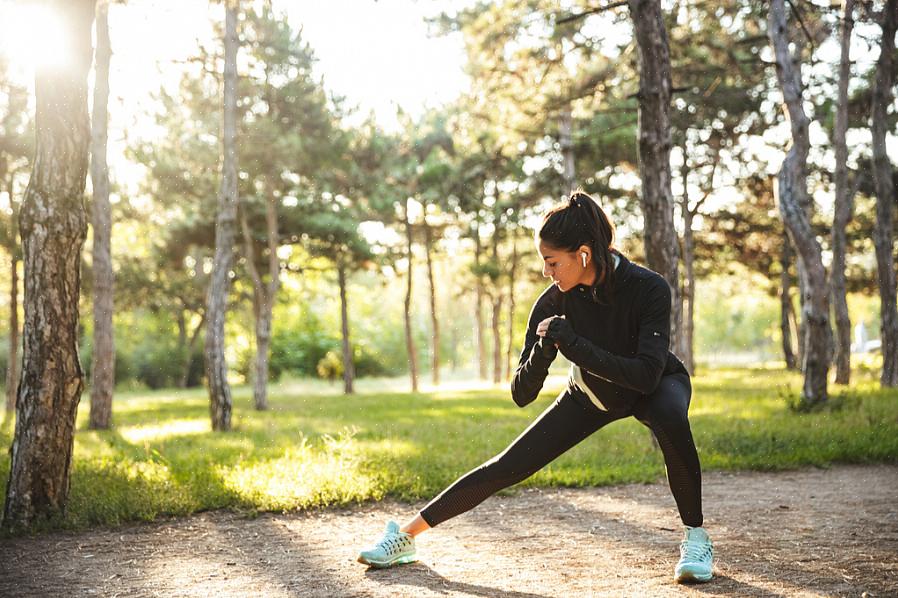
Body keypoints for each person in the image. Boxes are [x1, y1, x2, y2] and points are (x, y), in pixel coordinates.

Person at [356, 191, 714, 584]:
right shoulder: (551, 304)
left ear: (583, 254)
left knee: (670, 417)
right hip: (593, 394)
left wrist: (574, 345)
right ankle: (405, 536)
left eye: (551, 262)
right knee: (509, 465)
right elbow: (521, 393)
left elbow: (646, 374)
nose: (546, 272)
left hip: (657, 385)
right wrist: (546, 349)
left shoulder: (648, 288)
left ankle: (696, 537)